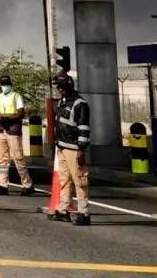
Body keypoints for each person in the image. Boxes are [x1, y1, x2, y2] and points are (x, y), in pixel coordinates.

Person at [51, 74, 91, 225]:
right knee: (65, 180)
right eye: (58, 88)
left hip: (74, 148)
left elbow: (84, 129)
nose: (59, 90)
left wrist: (81, 150)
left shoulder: (80, 104)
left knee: (80, 181)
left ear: (68, 87)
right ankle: (63, 210)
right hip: (62, 146)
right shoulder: (62, 102)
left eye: (61, 88)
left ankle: (84, 212)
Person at [0, 73, 35, 195]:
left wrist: (6, 118)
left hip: (13, 130)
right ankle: (3, 185)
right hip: (2, 130)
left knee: (18, 158)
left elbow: (21, 113)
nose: (4, 86)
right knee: (2, 159)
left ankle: (27, 185)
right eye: (3, 84)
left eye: (6, 84)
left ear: (10, 84)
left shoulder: (16, 96)